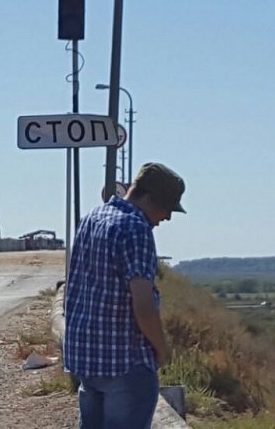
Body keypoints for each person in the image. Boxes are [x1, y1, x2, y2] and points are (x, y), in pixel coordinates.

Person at [64, 162, 186, 429]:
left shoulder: (92, 218)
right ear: (149, 199)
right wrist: (161, 350)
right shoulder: (136, 228)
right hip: (125, 361)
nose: (167, 217)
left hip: (87, 358)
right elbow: (143, 307)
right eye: (167, 208)